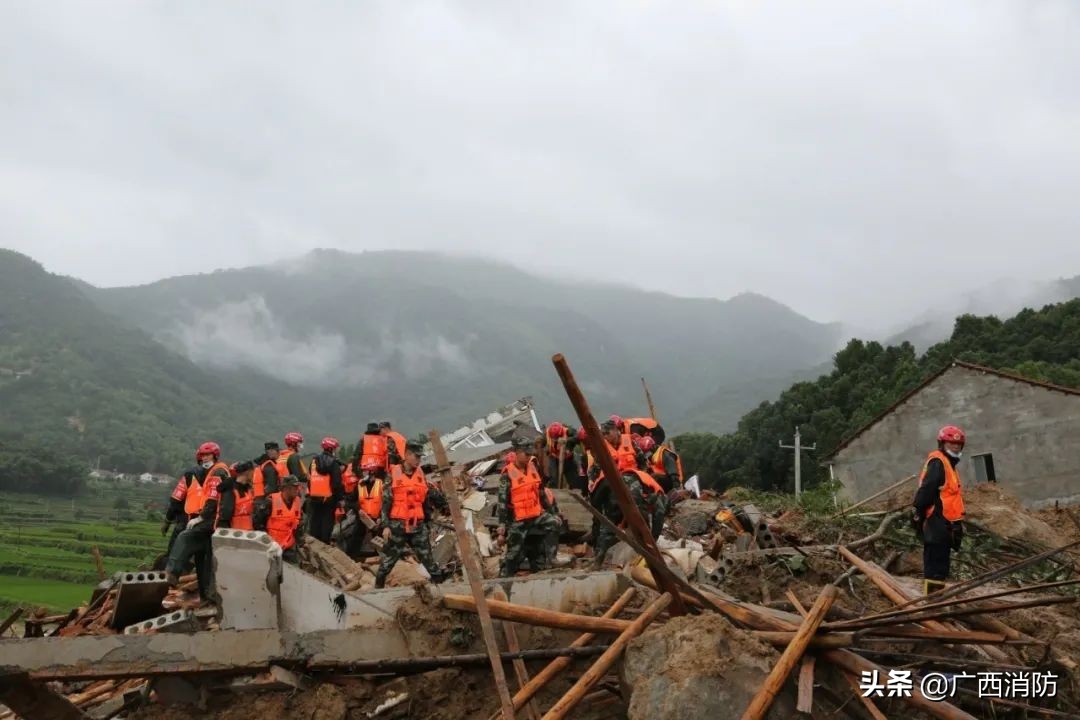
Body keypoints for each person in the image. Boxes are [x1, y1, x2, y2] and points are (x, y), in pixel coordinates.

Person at [375, 442, 448, 588]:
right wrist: (386, 526)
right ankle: (377, 589)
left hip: (417, 525)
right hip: (397, 526)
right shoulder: (393, 474)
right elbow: (386, 502)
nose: (419, 460)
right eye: (416, 456)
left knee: (428, 559)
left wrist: (441, 507)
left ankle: (441, 588)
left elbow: (426, 498)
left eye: (420, 457)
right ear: (407, 455)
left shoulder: (420, 474)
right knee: (388, 562)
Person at [165, 442, 231, 602]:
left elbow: (212, 499)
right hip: (209, 520)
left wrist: (200, 518)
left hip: (210, 520)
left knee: (184, 538)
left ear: (215, 456)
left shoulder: (216, 472)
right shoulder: (211, 472)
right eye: (203, 456)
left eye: (208, 455)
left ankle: (172, 573)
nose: (205, 458)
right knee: (203, 562)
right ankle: (206, 597)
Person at [912, 425, 967, 595]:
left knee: (941, 565)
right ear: (942, 444)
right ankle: (932, 600)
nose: (955, 447)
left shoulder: (949, 464)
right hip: (937, 521)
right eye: (951, 443)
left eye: (958, 444)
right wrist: (918, 512)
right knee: (935, 565)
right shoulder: (938, 462)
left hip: (945, 523)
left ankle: (937, 597)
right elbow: (927, 490)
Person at [497, 437, 562, 576]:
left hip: (536, 514)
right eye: (526, 454)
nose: (528, 457)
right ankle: (504, 576)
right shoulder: (507, 475)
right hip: (518, 519)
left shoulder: (533, 467)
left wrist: (552, 513)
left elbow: (541, 493)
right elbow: (502, 502)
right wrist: (502, 527)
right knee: (514, 554)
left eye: (530, 454)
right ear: (517, 452)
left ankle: (552, 558)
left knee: (554, 523)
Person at [254, 475, 304, 564]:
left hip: (289, 548)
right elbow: (258, 522)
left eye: (298, 487)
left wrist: (300, 542)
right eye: (294, 487)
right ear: (286, 488)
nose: (297, 490)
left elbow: (299, 523)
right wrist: (266, 541)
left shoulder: (297, 501)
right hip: (272, 546)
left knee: (293, 569)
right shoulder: (271, 502)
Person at [307, 437, 345, 543]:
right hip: (329, 499)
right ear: (332, 449)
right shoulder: (334, 463)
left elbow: (310, 479)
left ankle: (314, 544)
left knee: (315, 522)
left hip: (314, 497)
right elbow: (337, 484)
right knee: (327, 523)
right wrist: (340, 499)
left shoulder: (313, 462)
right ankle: (324, 544)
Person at [539, 422, 580, 490]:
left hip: (568, 459)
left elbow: (578, 438)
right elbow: (541, 444)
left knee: (573, 480)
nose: (555, 439)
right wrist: (544, 449)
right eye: (554, 437)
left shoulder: (568, 431)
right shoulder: (547, 433)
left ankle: (575, 491)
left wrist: (567, 440)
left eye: (557, 437)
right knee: (553, 478)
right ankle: (553, 492)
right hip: (554, 458)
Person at [217, 461, 256, 530]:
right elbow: (225, 515)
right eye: (253, 471)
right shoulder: (230, 490)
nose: (254, 474)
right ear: (247, 472)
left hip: (247, 531)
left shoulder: (248, 488)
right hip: (234, 532)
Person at [252, 442, 282, 516]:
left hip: (258, 500)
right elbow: (271, 487)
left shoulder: (261, 464)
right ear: (270, 451)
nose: (279, 453)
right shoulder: (269, 466)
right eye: (277, 450)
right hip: (266, 502)